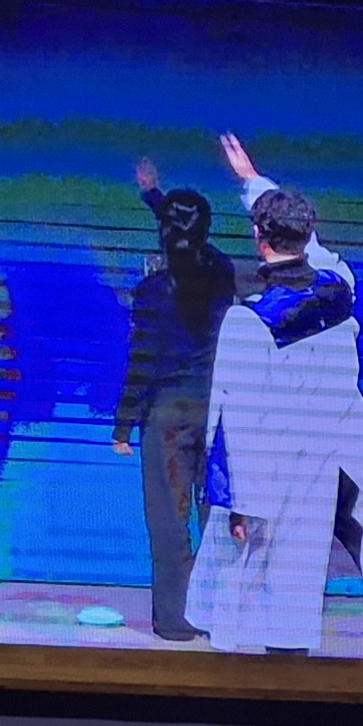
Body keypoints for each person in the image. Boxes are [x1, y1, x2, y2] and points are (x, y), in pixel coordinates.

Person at [189, 183, 363, 659]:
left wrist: (238, 502)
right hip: (348, 459)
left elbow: (236, 419)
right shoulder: (339, 285)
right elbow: (317, 251)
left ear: (259, 237)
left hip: (289, 470)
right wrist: (256, 184)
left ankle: (286, 683)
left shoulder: (251, 322)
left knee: (283, 584)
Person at [114, 174, 235, 641]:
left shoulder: (151, 291)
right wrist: (159, 201)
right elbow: (197, 243)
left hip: (167, 413)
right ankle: (221, 614)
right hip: (218, 410)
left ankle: (175, 620)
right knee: (218, 513)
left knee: (169, 517)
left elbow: (141, 362)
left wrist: (124, 425)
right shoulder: (222, 276)